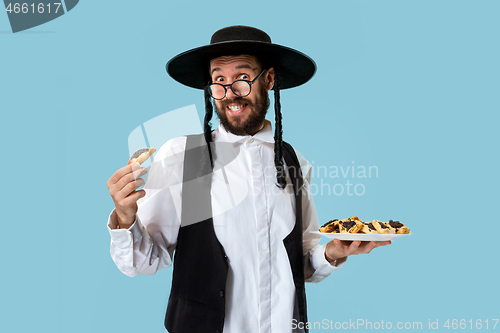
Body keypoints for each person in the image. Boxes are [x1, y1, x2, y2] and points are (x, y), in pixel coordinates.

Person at [106, 26, 390, 333]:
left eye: (242, 78)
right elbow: (143, 261)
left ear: (268, 80)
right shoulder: (181, 156)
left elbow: (301, 261)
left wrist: (333, 253)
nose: (231, 93)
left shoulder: (294, 162)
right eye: (219, 81)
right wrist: (125, 217)